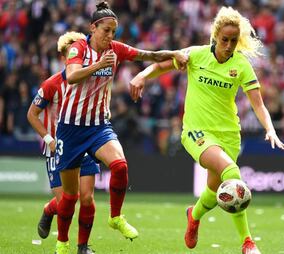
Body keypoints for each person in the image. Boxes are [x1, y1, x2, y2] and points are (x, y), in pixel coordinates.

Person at [129, 6, 284, 254]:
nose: (229, 45)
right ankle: (247, 242)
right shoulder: (195, 55)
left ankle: (194, 215)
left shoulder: (241, 65)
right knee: (233, 174)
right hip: (196, 132)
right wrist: (141, 76)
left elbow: (259, 104)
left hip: (229, 135)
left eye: (234, 41)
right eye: (225, 40)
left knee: (215, 193)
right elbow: (160, 67)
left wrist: (270, 128)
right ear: (215, 35)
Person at [53, 2, 187, 254]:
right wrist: (100, 65)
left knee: (120, 165)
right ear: (93, 28)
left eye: (114, 32)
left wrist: (175, 53)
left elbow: (150, 55)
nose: (110, 37)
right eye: (106, 30)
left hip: (98, 127)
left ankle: (114, 217)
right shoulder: (77, 48)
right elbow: (71, 76)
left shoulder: (115, 49)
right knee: (70, 197)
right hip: (70, 130)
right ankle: (62, 243)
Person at [27, 31, 99, 254]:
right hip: (57, 148)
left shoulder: (89, 80)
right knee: (68, 200)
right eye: (70, 55)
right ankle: (50, 210)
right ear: (63, 58)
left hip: (83, 143)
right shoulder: (52, 84)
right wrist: (48, 139)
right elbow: (32, 114)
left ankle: (82, 247)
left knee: (87, 198)